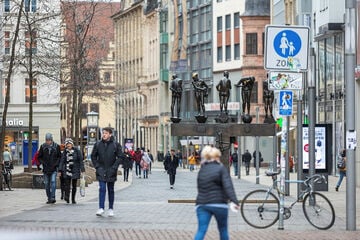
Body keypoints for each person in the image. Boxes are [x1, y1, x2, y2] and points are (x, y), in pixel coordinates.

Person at [194, 146, 239, 240]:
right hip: (219, 204)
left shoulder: (202, 170)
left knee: (201, 230)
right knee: (223, 230)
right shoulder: (221, 169)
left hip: (202, 204)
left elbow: (200, 188)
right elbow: (228, 186)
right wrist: (234, 200)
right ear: (216, 157)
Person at [91, 127, 123, 217]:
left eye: (105, 133)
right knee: (102, 188)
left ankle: (111, 208)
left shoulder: (115, 145)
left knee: (111, 189)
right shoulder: (98, 144)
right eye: (103, 133)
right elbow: (93, 156)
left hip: (111, 170)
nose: (104, 135)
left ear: (110, 134)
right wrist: (97, 166)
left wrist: (114, 167)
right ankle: (101, 208)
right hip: (101, 169)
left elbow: (120, 156)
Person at [59, 138, 85, 204]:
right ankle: (67, 197)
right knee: (67, 185)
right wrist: (60, 170)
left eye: (69, 144)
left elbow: (80, 161)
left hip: (75, 169)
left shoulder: (77, 151)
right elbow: (62, 161)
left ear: (72, 144)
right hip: (67, 170)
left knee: (74, 185)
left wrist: (82, 170)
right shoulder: (65, 151)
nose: (68, 145)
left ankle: (73, 199)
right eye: (67, 144)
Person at [38, 133, 61, 204]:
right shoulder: (43, 147)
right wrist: (42, 163)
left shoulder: (56, 146)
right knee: (47, 184)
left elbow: (59, 157)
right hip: (46, 168)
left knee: (53, 182)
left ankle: (53, 197)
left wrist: (56, 164)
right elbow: (39, 157)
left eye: (49, 140)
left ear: (51, 140)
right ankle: (49, 197)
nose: (48, 142)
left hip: (53, 168)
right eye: (46, 140)